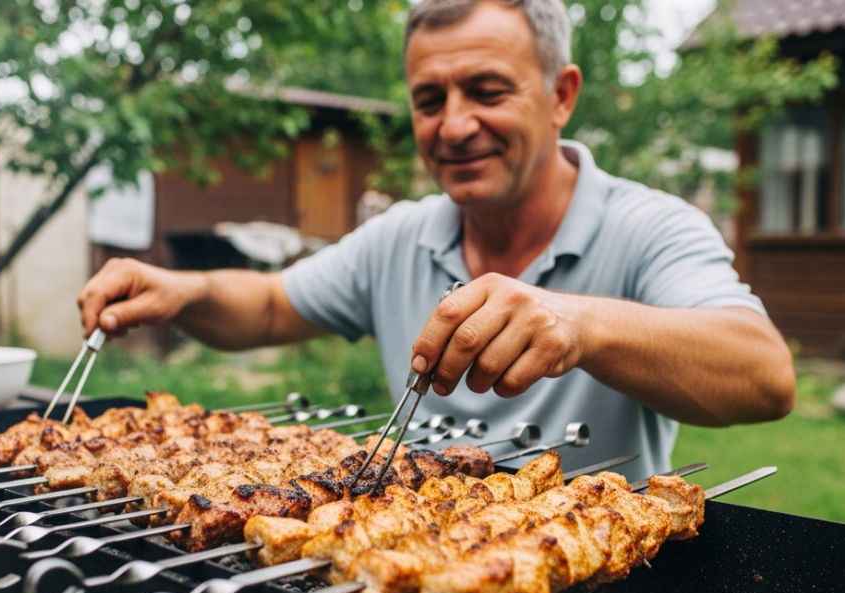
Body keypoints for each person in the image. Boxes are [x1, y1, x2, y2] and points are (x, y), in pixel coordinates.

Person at [76, 0, 795, 479]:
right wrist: (182, 291)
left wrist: (579, 324)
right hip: (412, 579)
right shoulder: (401, 235)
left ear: (561, 96)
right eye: (429, 100)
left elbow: (765, 375)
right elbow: (268, 304)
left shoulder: (650, 227)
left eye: (487, 91)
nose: (452, 126)